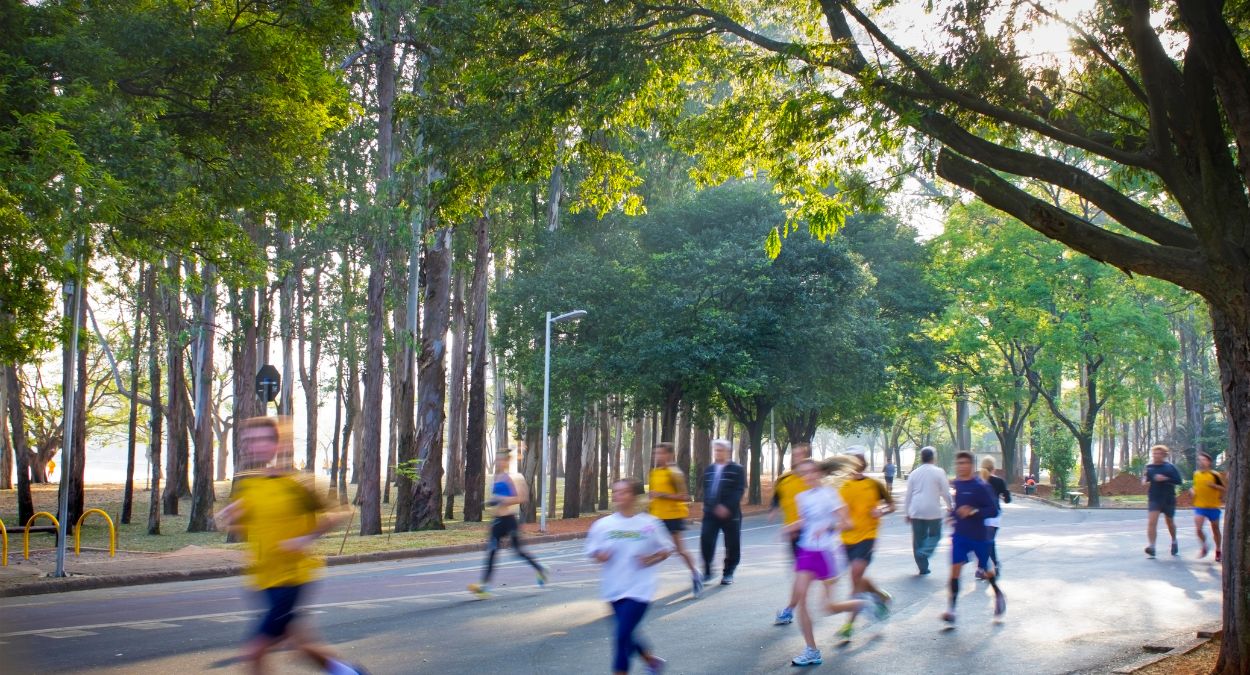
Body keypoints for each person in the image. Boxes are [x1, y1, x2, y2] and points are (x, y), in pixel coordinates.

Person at [214, 416, 366, 675]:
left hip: (292, 578)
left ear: (276, 444)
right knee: (301, 645)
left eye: (262, 439)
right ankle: (349, 672)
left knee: (254, 652)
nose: (255, 446)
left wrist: (304, 539)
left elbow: (338, 514)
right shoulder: (249, 485)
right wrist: (229, 518)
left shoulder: (298, 484)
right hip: (263, 580)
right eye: (250, 441)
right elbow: (248, 528)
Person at [786, 458, 885, 666]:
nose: (808, 476)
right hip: (807, 550)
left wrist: (829, 528)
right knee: (802, 600)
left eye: (811, 472)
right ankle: (812, 650)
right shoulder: (802, 497)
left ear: (819, 473)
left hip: (827, 553)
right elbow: (808, 520)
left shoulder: (830, 495)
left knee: (828, 607)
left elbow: (847, 523)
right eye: (803, 473)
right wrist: (793, 526)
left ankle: (866, 603)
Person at [586, 478, 674, 675]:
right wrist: (601, 555)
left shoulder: (649, 524)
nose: (618, 496)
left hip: (640, 589)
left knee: (621, 636)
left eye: (623, 492)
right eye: (615, 492)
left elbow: (667, 549)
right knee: (627, 634)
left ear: (634, 496)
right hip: (613, 589)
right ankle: (652, 662)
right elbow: (593, 551)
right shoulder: (603, 525)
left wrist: (650, 559)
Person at [468, 450, 548, 597]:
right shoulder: (495, 477)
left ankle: (540, 569)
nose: (499, 462)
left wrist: (502, 500)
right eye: (497, 460)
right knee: (491, 552)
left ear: (507, 461)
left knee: (518, 552)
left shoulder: (514, 477)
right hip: (497, 522)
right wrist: (490, 501)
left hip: (510, 521)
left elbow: (522, 498)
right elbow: (496, 498)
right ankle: (484, 587)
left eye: (501, 460)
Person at [834, 451, 894, 639]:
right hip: (846, 540)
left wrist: (881, 511)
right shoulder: (841, 485)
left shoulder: (874, 485)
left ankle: (848, 624)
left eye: (856, 461)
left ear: (863, 464)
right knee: (857, 579)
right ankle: (879, 595)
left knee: (855, 574)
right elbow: (834, 510)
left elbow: (892, 505)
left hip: (867, 537)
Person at [942, 451, 1006, 624]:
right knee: (955, 570)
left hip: (979, 535)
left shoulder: (981, 486)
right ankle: (951, 610)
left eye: (964, 463)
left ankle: (997, 593)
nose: (960, 466)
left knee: (986, 568)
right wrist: (953, 516)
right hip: (960, 535)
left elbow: (993, 510)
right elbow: (959, 507)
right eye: (958, 463)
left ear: (971, 465)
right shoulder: (958, 484)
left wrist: (974, 511)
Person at [648, 442, 702, 597]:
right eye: (656, 453)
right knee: (650, 550)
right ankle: (642, 583)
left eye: (661, 453)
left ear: (670, 455)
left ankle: (695, 574)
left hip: (673, 517)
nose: (657, 456)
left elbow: (685, 497)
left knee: (679, 550)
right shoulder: (654, 473)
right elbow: (653, 496)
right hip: (656, 518)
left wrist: (662, 495)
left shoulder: (674, 473)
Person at [771, 442, 811, 625]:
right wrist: (774, 510)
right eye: (795, 455)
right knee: (800, 575)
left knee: (806, 578)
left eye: (801, 455)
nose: (797, 458)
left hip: (811, 534)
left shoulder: (811, 479)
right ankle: (791, 609)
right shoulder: (784, 479)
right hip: (794, 534)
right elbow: (777, 498)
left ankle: (867, 598)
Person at [700, 439, 746, 585]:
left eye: (720, 450)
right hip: (710, 513)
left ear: (728, 452)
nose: (717, 453)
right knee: (706, 540)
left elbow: (739, 490)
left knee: (732, 544)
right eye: (716, 450)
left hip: (730, 514)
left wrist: (727, 507)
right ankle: (707, 570)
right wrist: (707, 505)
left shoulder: (737, 469)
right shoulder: (709, 469)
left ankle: (728, 572)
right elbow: (706, 489)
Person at [903, 446, 952, 575]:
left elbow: (908, 495)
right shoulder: (939, 472)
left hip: (916, 510)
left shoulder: (914, 473)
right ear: (933, 458)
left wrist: (907, 512)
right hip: (933, 510)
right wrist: (950, 506)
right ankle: (924, 552)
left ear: (922, 458)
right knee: (936, 535)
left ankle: (923, 568)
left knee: (918, 539)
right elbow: (945, 492)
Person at [1143, 444, 1183, 558]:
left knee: (1169, 522)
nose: (1156, 455)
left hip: (1168, 498)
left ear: (1164, 455)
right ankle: (1152, 547)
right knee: (1152, 522)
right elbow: (1146, 477)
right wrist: (1144, 479)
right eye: (1154, 453)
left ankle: (1174, 541)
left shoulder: (1170, 467)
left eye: (1159, 453)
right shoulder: (1149, 467)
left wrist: (1165, 478)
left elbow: (1178, 481)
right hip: (1154, 498)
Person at [978, 456, 1011, 578]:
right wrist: (1002, 496)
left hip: (981, 517)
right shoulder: (999, 482)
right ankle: (990, 566)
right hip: (995, 516)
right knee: (989, 542)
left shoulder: (978, 481)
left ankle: (984, 567)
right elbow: (1008, 499)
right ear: (994, 468)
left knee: (986, 542)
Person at [1190, 450, 1225, 562]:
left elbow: (1224, 489)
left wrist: (1214, 485)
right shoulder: (1196, 474)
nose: (1201, 462)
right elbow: (1196, 487)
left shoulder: (1215, 475)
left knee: (1215, 529)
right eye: (1200, 460)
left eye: (1204, 460)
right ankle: (1204, 546)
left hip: (1213, 507)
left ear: (1209, 462)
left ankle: (1218, 550)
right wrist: (1192, 491)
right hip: (1200, 506)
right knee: (1198, 529)